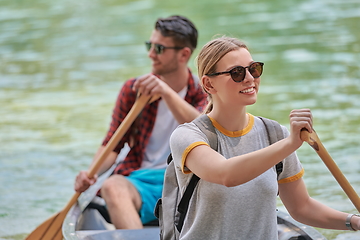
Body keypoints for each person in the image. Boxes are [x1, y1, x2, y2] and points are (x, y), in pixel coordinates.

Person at [169, 36, 360, 239]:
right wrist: (290, 144)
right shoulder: (187, 136)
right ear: (209, 84)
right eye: (237, 73)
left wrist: (354, 221)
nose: (250, 78)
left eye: (254, 69)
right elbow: (226, 174)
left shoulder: (275, 134)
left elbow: (301, 207)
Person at [74, 15, 207, 229]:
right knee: (112, 186)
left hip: (189, 180)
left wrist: (165, 92)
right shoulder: (133, 90)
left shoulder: (204, 91)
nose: (151, 54)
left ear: (184, 54)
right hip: (142, 179)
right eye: (150, 45)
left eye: (159, 48)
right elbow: (113, 144)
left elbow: (204, 129)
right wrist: (90, 174)